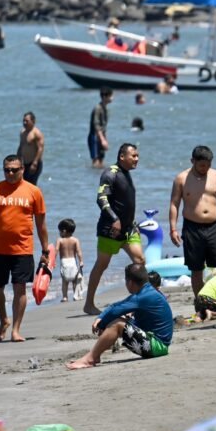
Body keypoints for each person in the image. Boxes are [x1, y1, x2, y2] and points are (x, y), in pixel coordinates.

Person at [0, 155, 49, 343]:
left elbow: (41, 224)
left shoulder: (33, 192)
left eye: (14, 169)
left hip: (23, 250)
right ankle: (3, 320)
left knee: (19, 289)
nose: (10, 173)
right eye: (7, 169)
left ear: (23, 169)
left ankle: (16, 329)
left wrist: (45, 249)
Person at [69, 263, 173, 368]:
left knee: (117, 324)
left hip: (157, 346)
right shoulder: (147, 292)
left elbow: (115, 310)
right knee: (116, 319)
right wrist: (102, 319)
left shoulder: (141, 297)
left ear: (130, 282)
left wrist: (101, 323)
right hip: (157, 343)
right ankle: (95, 356)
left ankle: (89, 359)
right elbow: (117, 306)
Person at [84, 144, 145, 314]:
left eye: (138, 155)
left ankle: (141, 298)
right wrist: (114, 219)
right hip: (110, 229)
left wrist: (132, 223)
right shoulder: (110, 173)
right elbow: (101, 198)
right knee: (102, 265)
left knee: (140, 260)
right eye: (133, 155)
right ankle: (88, 303)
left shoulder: (126, 174)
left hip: (127, 229)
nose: (137, 159)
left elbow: (126, 204)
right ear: (122, 157)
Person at [169, 146, 216, 298]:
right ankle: (201, 305)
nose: (205, 168)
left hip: (215, 226)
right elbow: (174, 204)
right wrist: (173, 229)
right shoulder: (181, 178)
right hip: (192, 228)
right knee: (196, 270)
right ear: (192, 161)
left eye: (208, 165)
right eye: (202, 165)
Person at [51, 219, 84, 302]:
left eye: (60, 231)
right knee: (74, 281)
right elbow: (79, 252)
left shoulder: (60, 240)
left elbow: (56, 251)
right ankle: (75, 295)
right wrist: (81, 261)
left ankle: (65, 297)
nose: (59, 233)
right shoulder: (75, 240)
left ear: (64, 231)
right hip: (73, 262)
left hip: (64, 262)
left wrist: (52, 261)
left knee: (64, 281)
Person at [88, 88, 112, 169]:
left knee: (101, 161)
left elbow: (103, 127)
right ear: (105, 97)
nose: (112, 98)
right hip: (94, 137)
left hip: (101, 137)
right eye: (110, 96)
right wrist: (103, 140)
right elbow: (96, 125)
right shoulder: (97, 108)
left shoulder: (106, 109)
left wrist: (105, 139)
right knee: (96, 161)